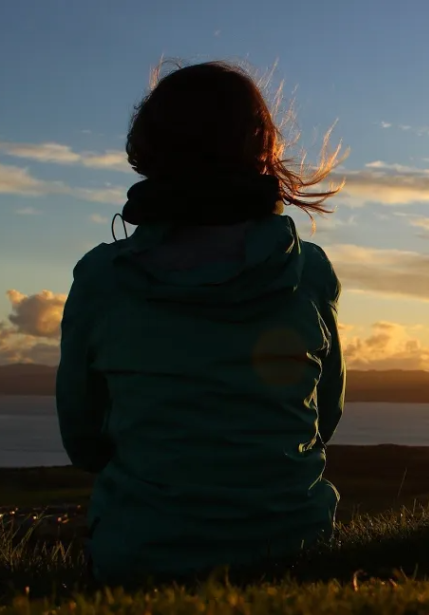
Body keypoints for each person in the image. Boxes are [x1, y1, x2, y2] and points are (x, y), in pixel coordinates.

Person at [55, 60, 346, 585]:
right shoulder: (309, 272)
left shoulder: (102, 279)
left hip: (140, 559)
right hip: (297, 553)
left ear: (147, 152)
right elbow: (324, 418)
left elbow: (83, 442)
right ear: (263, 150)